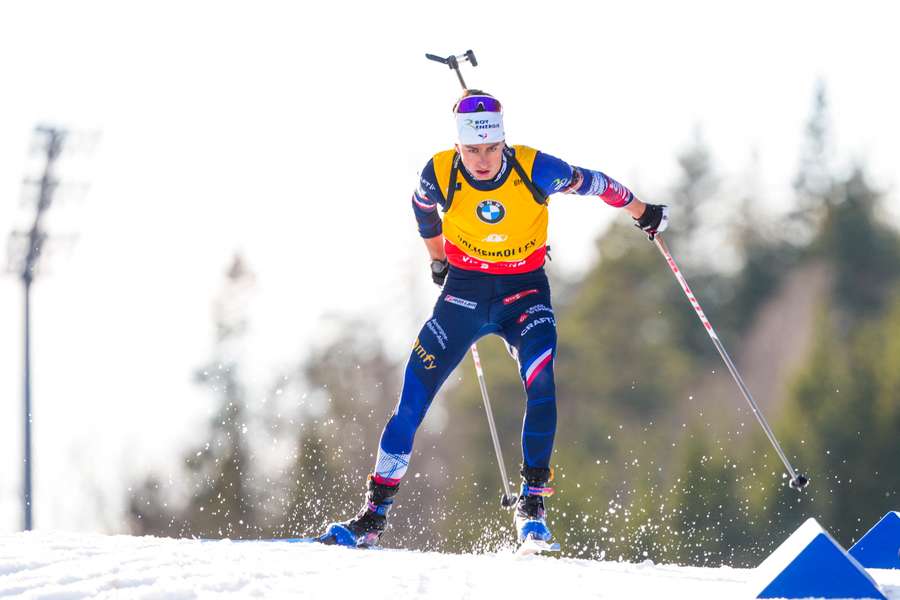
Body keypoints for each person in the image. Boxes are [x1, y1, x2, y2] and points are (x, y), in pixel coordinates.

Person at [318, 90, 669, 548]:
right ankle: (372, 516)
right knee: (411, 399)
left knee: (541, 382)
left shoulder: (535, 168)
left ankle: (533, 506)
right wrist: (438, 257)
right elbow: (422, 210)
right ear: (458, 146)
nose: (482, 161)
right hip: (462, 295)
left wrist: (643, 212)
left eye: (490, 149)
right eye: (472, 150)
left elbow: (596, 182)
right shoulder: (439, 172)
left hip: (524, 296)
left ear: (503, 141)